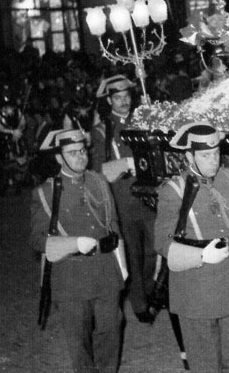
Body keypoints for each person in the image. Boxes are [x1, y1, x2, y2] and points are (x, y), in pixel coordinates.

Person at [153, 122, 229, 373]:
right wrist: (201, 254)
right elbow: (162, 241)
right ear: (189, 156)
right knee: (205, 364)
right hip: (196, 290)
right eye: (205, 155)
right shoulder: (174, 191)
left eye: (216, 153)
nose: (213, 160)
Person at [30, 129, 126, 373]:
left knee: (111, 332)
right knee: (79, 342)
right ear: (59, 158)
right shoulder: (45, 192)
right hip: (70, 277)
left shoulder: (100, 182)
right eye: (72, 153)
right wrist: (73, 244)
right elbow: (37, 239)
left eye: (83, 151)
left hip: (105, 271)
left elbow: (114, 225)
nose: (80, 157)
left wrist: (122, 268)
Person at [91, 75, 157, 324]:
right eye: (117, 98)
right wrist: (128, 164)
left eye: (126, 97)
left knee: (154, 249)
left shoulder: (143, 121)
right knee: (131, 253)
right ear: (109, 100)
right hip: (123, 199)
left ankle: (149, 291)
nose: (123, 102)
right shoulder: (102, 130)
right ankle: (140, 303)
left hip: (149, 198)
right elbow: (101, 170)